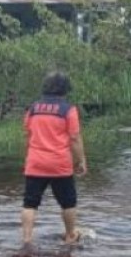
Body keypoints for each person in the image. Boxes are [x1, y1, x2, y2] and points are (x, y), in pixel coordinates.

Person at [21, 72, 88, 246]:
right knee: (68, 202)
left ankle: (27, 239)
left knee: (30, 204)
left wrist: (29, 156)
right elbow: (74, 138)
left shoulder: (33, 108)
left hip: (35, 163)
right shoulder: (68, 110)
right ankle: (70, 236)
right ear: (65, 89)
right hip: (60, 164)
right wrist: (81, 160)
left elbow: (27, 135)